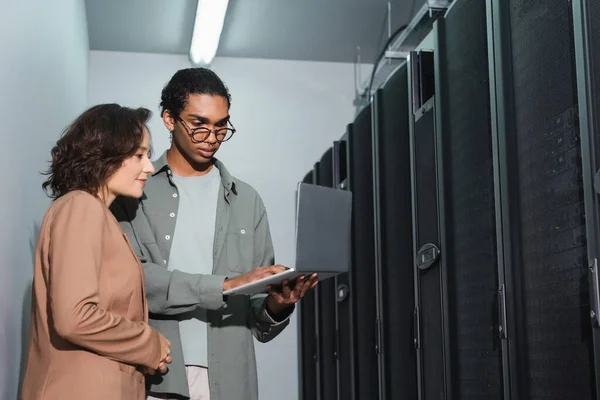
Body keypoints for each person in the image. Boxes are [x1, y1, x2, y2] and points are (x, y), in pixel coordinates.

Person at [111, 68, 318, 400]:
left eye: (222, 126)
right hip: (156, 375)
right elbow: (133, 283)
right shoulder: (135, 191)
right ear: (169, 119)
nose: (212, 137)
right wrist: (224, 285)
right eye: (199, 125)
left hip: (230, 380)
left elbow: (256, 314)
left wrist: (278, 305)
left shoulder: (247, 200)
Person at [21, 104, 172, 400]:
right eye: (140, 155)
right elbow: (74, 316)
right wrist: (149, 344)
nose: (150, 166)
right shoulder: (81, 207)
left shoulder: (95, 214)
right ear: (106, 154)